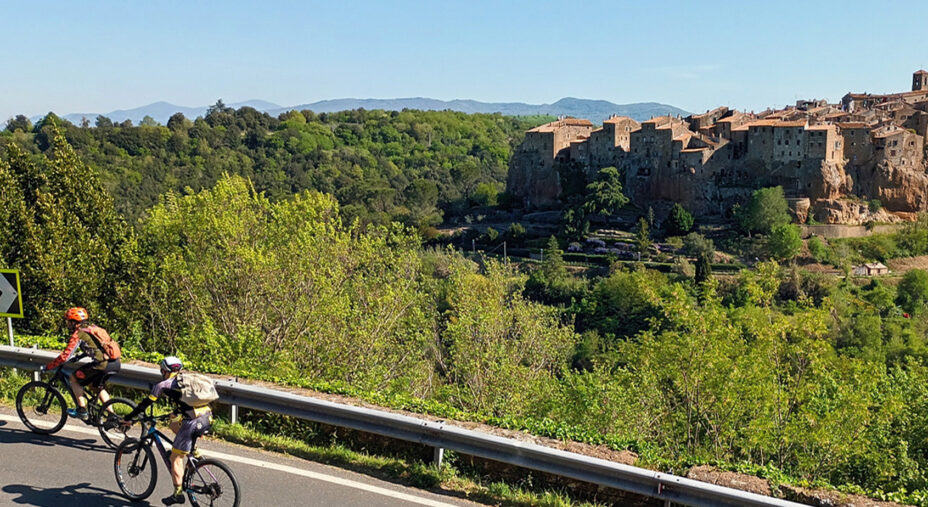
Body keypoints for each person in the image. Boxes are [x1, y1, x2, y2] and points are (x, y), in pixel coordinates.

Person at [122, 356, 213, 506]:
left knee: (175, 458)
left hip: (193, 423)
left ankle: (177, 494)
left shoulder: (163, 385)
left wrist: (128, 418)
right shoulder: (186, 380)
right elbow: (187, 403)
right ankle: (194, 453)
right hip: (207, 417)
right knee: (174, 425)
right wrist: (174, 413)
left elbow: (144, 404)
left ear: (164, 371)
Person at [42, 307, 121, 421]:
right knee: (95, 387)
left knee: (73, 378)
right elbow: (97, 348)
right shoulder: (92, 328)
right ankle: (112, 415)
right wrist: (79, 357)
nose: (67, 324)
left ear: (74, 322)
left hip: (101, 365)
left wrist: (48, 366)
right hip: (115, 363)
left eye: (68, 321)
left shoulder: (78, 334)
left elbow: (65, 356)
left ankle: (82, 410)